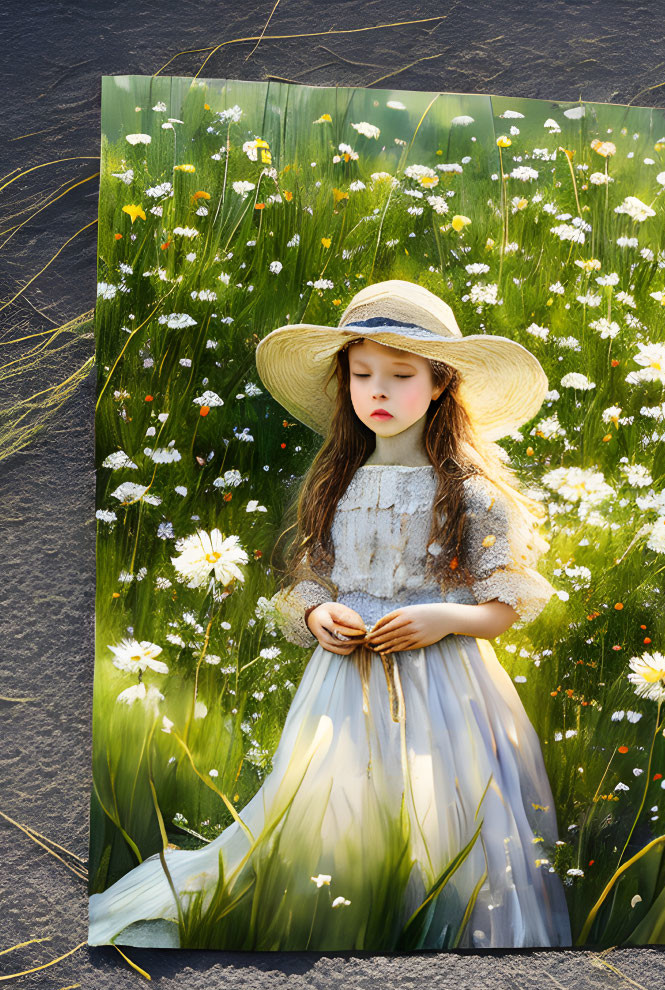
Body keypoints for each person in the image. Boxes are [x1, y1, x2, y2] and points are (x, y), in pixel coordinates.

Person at [88, 279, 572, 951]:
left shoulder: (470, 491)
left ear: (439, 384)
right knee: (336, 808)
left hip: (445, 684)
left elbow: (501, 608)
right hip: (346, 683)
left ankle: (436, 933)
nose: (378, 391)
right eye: (362, 373)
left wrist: (442, 619)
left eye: (400, 375)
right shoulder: (337, 480)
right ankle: (345, 918)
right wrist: (319, 619)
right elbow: (314, 581)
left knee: (446, 816)